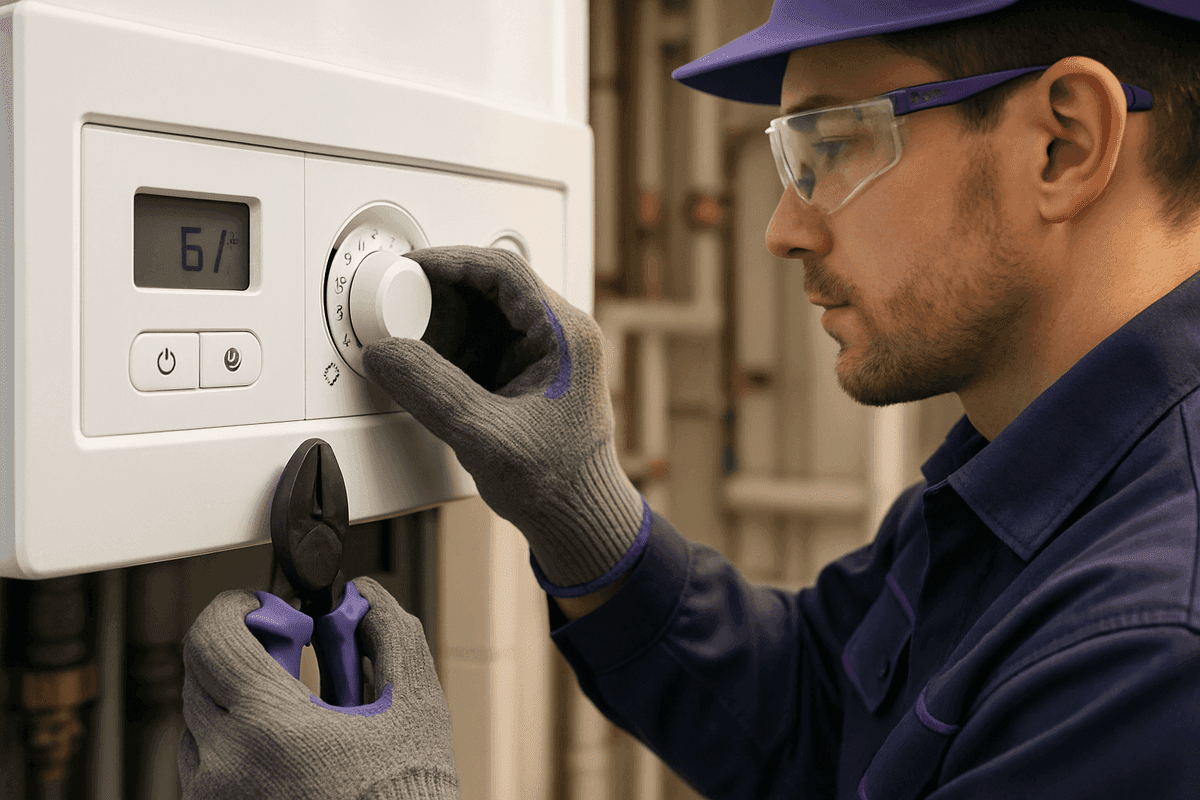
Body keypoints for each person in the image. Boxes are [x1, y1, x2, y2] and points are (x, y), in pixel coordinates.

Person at [178, 0, 1200, 797]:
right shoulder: (1026, 471)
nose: (784, 229)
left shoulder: (1153, 656)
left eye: (832, 146)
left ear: (1063, 144)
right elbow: (811, 718)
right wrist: (581, 513)